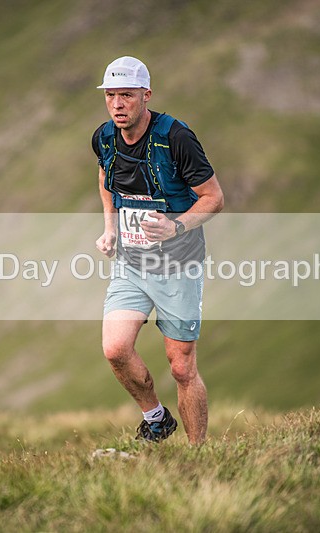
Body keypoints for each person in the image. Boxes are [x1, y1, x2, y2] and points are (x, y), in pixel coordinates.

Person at [92, 56, 224, 444]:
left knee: (182, 368)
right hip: (131, 264)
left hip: (179, 266)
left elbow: (214, 198)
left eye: (127, 96)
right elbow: (104, 176)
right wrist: (110, 228)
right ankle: (156, 419)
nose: (118, 104)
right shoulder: (104, 137)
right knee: (115, 349)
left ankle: (198, 454)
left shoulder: (176, 137)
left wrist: (176, 225)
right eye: (111, 95)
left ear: (146, 96)